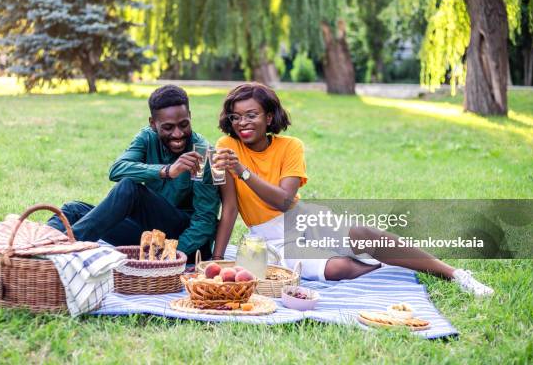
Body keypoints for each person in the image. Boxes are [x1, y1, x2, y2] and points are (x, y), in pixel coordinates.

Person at [211, 82, 494, 296]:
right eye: (236, 118)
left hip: (299, 216)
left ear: (269, 117)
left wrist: (243, 172)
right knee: (338, 269)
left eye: (251, 115)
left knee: (364, 234)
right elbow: (231, 208)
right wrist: (215, 261)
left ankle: (454, 274)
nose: (242, 123)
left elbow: (285, 200)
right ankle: (385, 266)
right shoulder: (227, 147)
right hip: (269, 237)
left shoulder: (290, 147)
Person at [47, 85, 220, 261]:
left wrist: (170, 254)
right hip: (150, 235)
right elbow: (117, 170)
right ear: (153, 124)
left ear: (190, 116)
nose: (178, 133)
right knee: (73, 210)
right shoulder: (147, 137)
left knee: (130, 187)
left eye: (184, 124)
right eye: (168, 127)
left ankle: (65, 250)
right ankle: (35, 249)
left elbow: (205, 222)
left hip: (185, 243)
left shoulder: (205, 154)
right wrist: (166, 171)